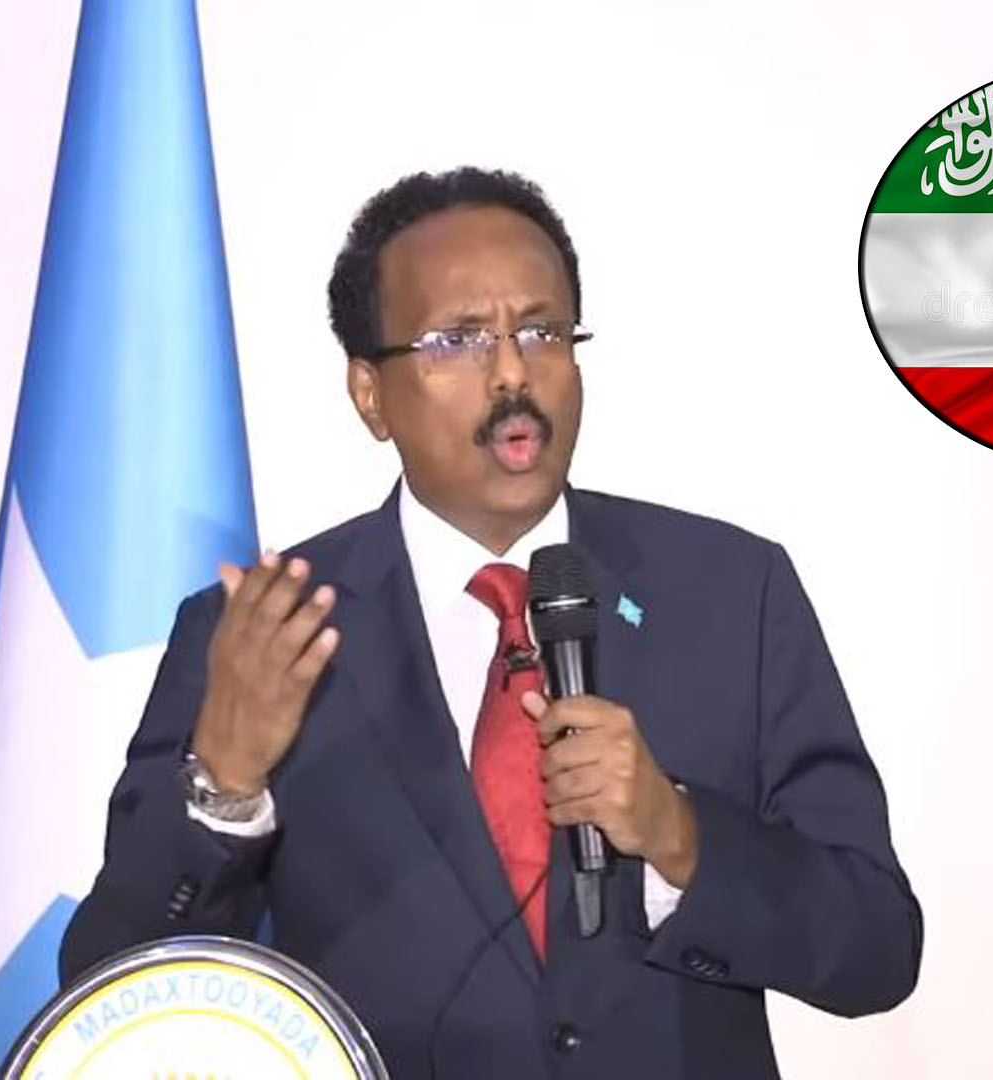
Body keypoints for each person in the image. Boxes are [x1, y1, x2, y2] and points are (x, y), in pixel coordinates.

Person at [61, 167, 922, 1078]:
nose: (513, 372)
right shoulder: (264, 633)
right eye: (458, 339)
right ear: (369, 393)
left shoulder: (732, 592)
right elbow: (108, 1000)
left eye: (542, 331)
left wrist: (679, 835)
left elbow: (877, 948)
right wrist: (226, 785)